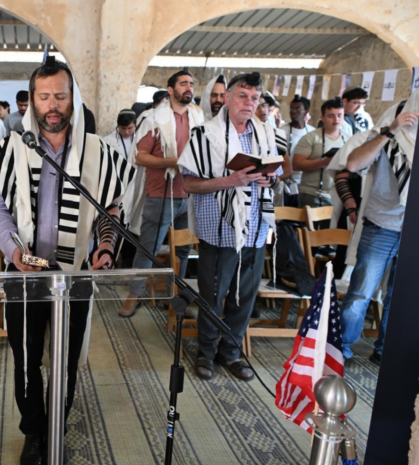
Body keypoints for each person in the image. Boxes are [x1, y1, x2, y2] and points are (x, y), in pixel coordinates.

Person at [0, 57, 133, 465]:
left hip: (75, 277)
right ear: (32, 101)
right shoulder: (11, 149)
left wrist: (105, 247)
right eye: (43, 96)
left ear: (73, 100)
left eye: (60, 97)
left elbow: (110, 210)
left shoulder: (100, 153)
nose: (52, 105)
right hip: (24, 276)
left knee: (66, 361)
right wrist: (13, 251)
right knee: (26, 358)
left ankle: (56, 428)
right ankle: (33, 432)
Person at [178, 72, 282, 382]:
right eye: (242, 96)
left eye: (254, 98)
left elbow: (276, 175)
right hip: (219, 228)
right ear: (227, 98)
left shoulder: (265, 133)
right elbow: (188, 184)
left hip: (255, 228)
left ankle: (231, 352)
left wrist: (270, 178)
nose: (249, 103)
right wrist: (230, 181)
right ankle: (206, 352)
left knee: (245, 297)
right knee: (213, 294)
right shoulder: (204, 134)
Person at [335, 88, 419, 365]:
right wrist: (390, 130)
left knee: (400, 298)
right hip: (381, 226)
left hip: (413, 230)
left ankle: (385, 350)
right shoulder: (383, 135)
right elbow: (352, 163)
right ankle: (342, 348)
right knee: (361, 293)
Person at [119, 70, 205, 318]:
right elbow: (140, 156)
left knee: (183, 251)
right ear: (170, 90)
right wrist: (174, 162)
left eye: (191, 83)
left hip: (190, 195)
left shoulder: (198, 117)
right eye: (183, 83)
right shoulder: (153, 118)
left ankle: (175, 298)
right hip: (161, 194)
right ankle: (133, 296)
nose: (188, 87)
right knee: (148, 249)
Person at [292, 98, 350, 208]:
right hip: (312, 193)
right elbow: (296, 164)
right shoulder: (311, 137)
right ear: (322, 118)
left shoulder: (348, 139)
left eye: (339, 115)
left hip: (338, 195)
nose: (336, 119)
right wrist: (325, 162)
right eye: (331, 116)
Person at [102, 109, 141, 268]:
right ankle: (113, 261)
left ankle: (128, 262)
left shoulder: (141, 140)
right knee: (117, 224)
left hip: (136, 188)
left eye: (130, 128)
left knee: (133, 225)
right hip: (118, 188)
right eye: (123, 128)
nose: (126, 132)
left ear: (135, 126)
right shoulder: (107, 141)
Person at [280, 95, 315, 206]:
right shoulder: (281, 131)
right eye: (292, 108)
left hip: (305, 182)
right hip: (286, 181)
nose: (294, 111)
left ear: (306, 111)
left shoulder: (313, 133)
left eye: (298, 108)